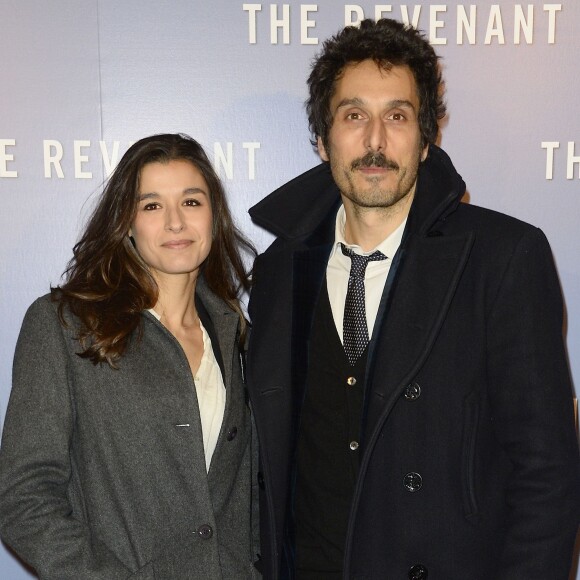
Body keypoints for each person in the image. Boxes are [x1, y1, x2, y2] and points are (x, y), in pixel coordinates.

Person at [246, 18, 580, 580]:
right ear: (323, 139)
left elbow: (547, 474)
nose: (375, 141)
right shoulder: (281, 270)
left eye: (396, 116)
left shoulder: (502, 258)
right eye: (354, 116)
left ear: (426, 140)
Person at [0, 133, 260, 579]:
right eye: (153, 205)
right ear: (127, 222)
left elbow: (248, 496)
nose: (176, 223)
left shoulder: (237, 334)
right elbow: (25, 496)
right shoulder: (65, 325)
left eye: (192, 202)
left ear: (214, 218)